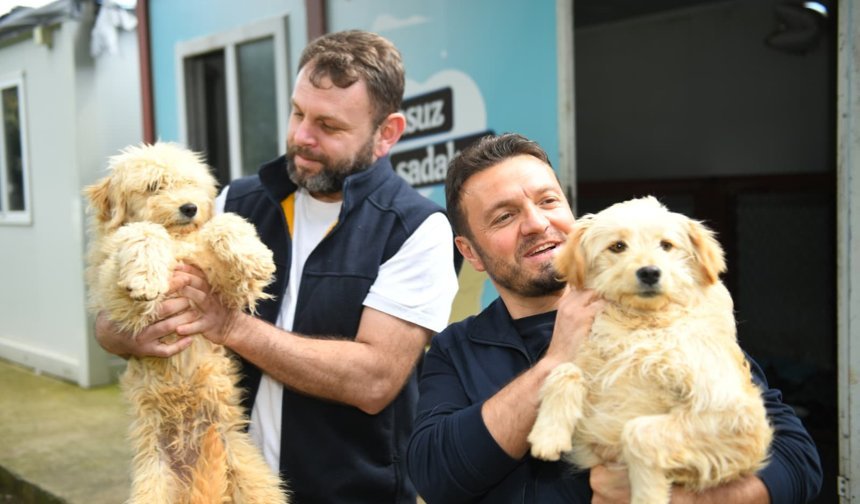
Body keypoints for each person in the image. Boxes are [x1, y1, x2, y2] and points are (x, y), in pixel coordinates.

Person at [96, 30, 459, 503]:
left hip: (349, 493)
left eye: (328, 126)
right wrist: (118, 332)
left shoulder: (417, 229)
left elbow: (373, 379)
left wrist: (230, 326)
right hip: (222, 483)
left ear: (386, 134)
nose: (301, 137)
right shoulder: (234, 201)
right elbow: (125, 310)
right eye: (297, 112)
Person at [406, 133, 822, 503]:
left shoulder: (671, 312)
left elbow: (798, 461)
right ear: (471, 252)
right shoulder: (455, 349)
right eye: (505, 216)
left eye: (548, 201)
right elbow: (437, 477)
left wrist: (685, 500)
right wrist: (556, 362)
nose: (536, 223)